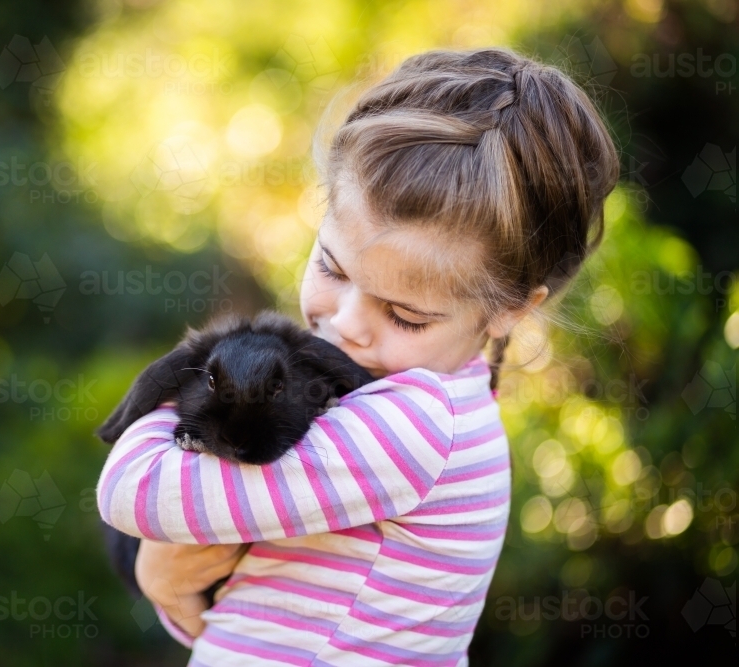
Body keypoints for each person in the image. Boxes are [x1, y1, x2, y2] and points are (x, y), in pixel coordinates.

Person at [97, 46, 619, 666]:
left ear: (511, 310)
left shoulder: (419, 426)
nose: (345, 325)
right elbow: (259, 616)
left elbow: (134, 490)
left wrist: (191, 378)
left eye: (406, 315)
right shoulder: (398, 402)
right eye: (330, 266)